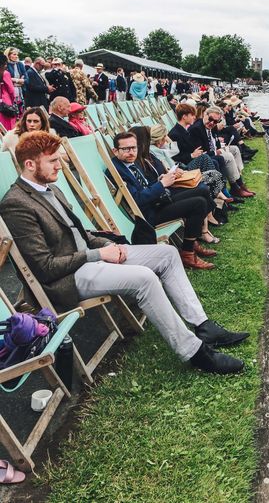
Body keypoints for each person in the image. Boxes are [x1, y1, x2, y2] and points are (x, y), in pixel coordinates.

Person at [0, 131, 248, 374]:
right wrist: (98, 255)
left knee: (168, 254)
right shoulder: (17, 204)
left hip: (89, 257)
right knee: (144, 279)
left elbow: (80, 233)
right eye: (52, 161)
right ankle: (194, 352)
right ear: (30, 164)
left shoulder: (50, 189)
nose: (60, 166)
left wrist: (106, 246)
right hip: (66, 278)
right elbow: (45, 267)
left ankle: (203, 326)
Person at [110, 131, 217, 270]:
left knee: (202, 191)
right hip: (147, 215)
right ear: (115, 151)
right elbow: (137, 200)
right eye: (126, 149)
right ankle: (188, 252)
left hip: (157, 202)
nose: (131, 152)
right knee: (199, 203)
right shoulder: (115, 171)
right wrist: (161, 185)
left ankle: (193, 239)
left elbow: (145, 186)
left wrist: (159, 180)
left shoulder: (130, 164)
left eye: (134, 148)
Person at [189, 107, 255, 199]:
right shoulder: (196, 129)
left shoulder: (212, 127)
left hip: (215, 150)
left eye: (215, 121)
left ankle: (240, 182)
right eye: (210, 119)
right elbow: (202, 152)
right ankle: (234, 186)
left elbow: (216, 142)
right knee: (228, 156)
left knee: (235, 149)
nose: (212, 123)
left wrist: (220, 147)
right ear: (205, 114)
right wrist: (216, 151)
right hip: (207, 155)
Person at [5, 47, 27, 115]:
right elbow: (5, 79)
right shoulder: (5, 65)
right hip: (9, 93)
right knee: (11, 113)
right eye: (14, 54)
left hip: (21, 93)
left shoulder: (20, 64)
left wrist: (15, 80)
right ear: (8, 55)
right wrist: (19, 80)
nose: (16, 56)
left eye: (17, 54)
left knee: (21, 113)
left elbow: (27, 80)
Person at [0, 54, 17, 131]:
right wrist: (13, 100)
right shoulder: (5, 73)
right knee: (7, 125)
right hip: (5, 101)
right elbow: (11, 90)